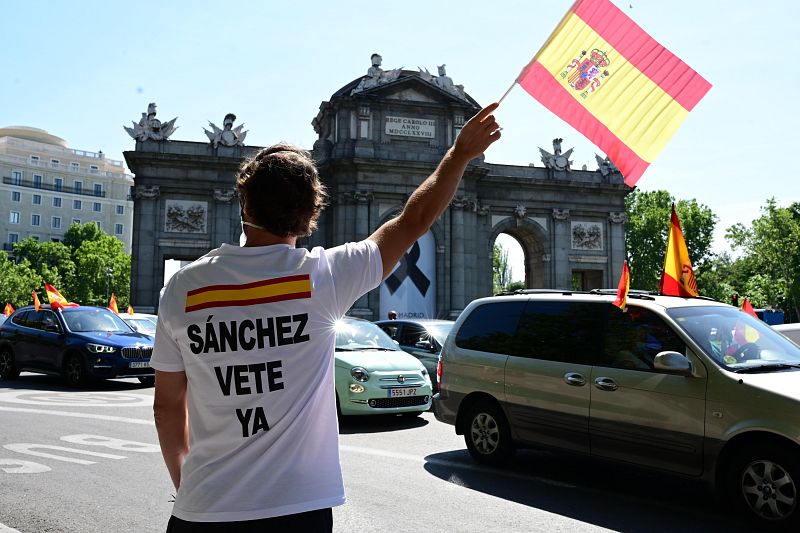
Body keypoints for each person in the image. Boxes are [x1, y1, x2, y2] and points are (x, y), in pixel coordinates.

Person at [151, 102, 501, 531]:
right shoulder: (324, 277)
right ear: (311, 214)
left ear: (244, 203)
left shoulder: (183, 289)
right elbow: (415, 220)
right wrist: (459, 153)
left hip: (203, 507)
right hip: (298, 509)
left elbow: (167, 407)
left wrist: (187, 483)